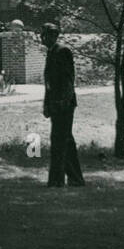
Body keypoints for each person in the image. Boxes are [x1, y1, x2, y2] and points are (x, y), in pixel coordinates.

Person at [42, 22, 85, 187]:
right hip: (55, 104)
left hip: (64, 105)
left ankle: (56, 181)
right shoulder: (51, 52)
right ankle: (76, 178)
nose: (42, 38)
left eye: (45, 35)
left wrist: (63, 102)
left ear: (53, 36)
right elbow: (49, 83)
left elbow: (68, 80)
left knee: (59, 141)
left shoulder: (62, 51)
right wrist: (46, 104)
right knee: (65, 140)